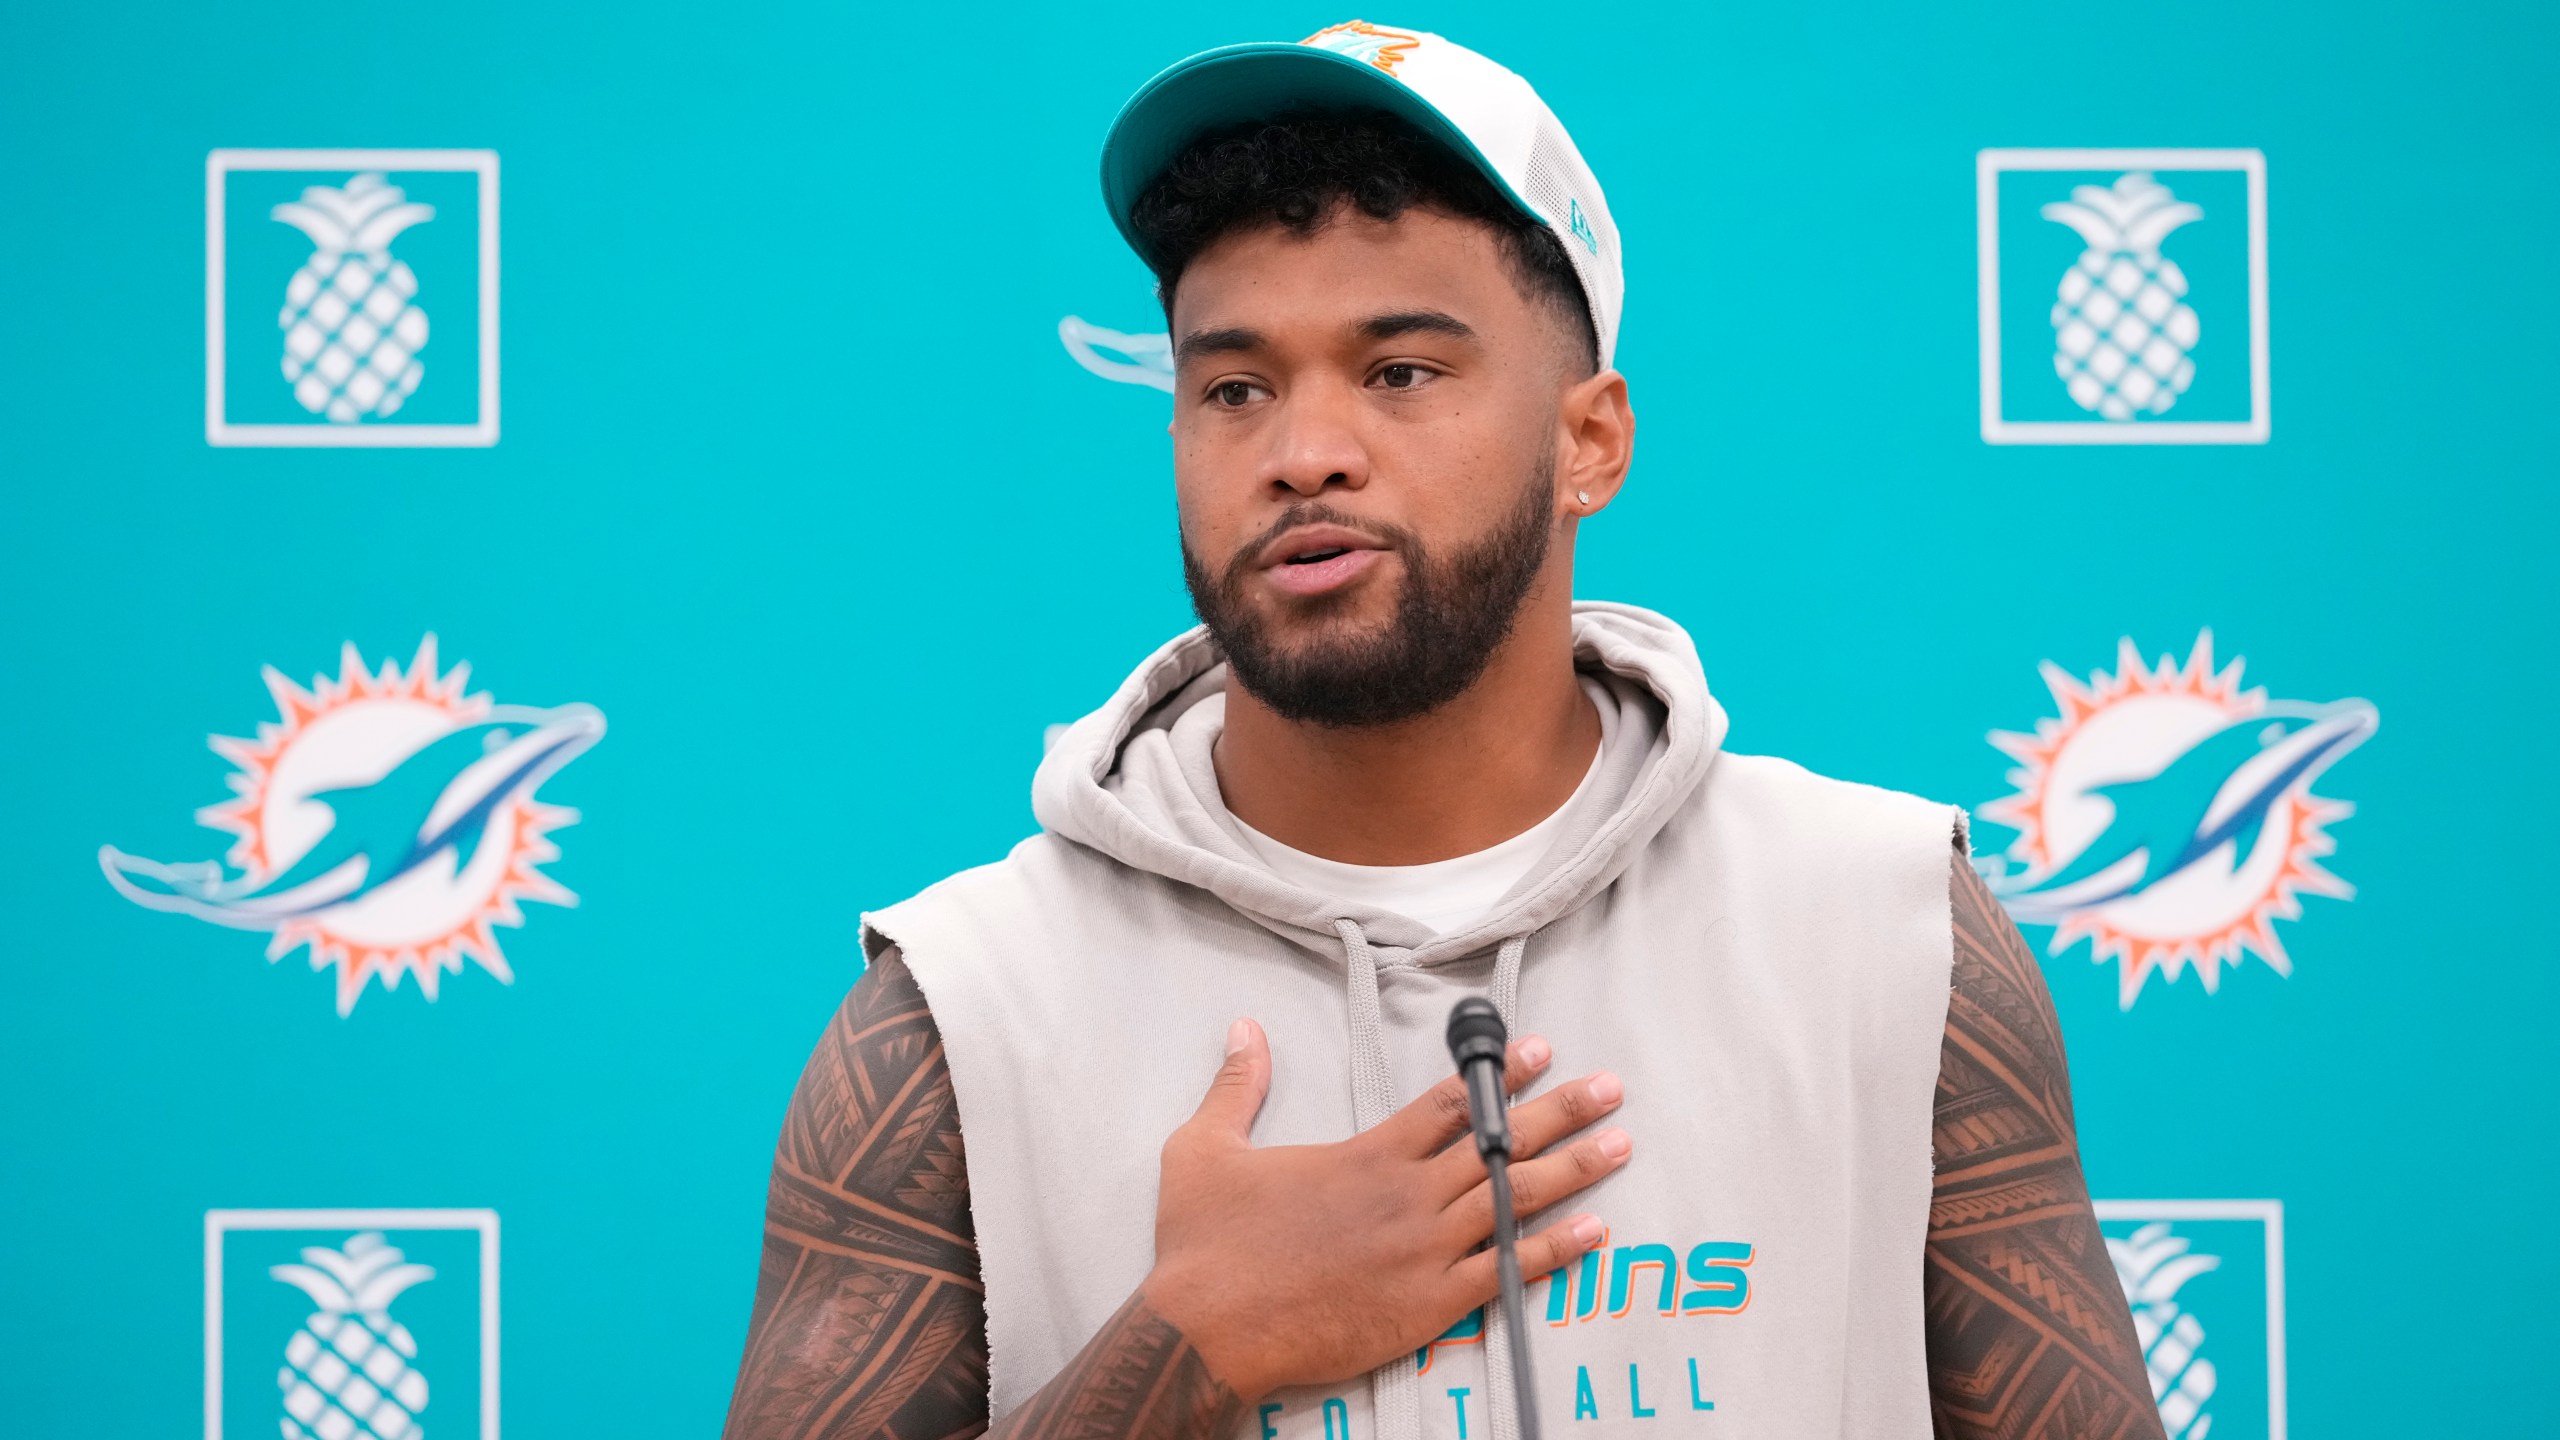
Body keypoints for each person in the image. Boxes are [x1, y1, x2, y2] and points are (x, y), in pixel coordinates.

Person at [723, 21, 2163, 1440]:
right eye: (1234, 388)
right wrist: (1190, 1348)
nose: (1303, 453)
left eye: (1401, 371)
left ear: (1587, 441)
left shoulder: (1885, 927)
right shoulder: (964, 1009)